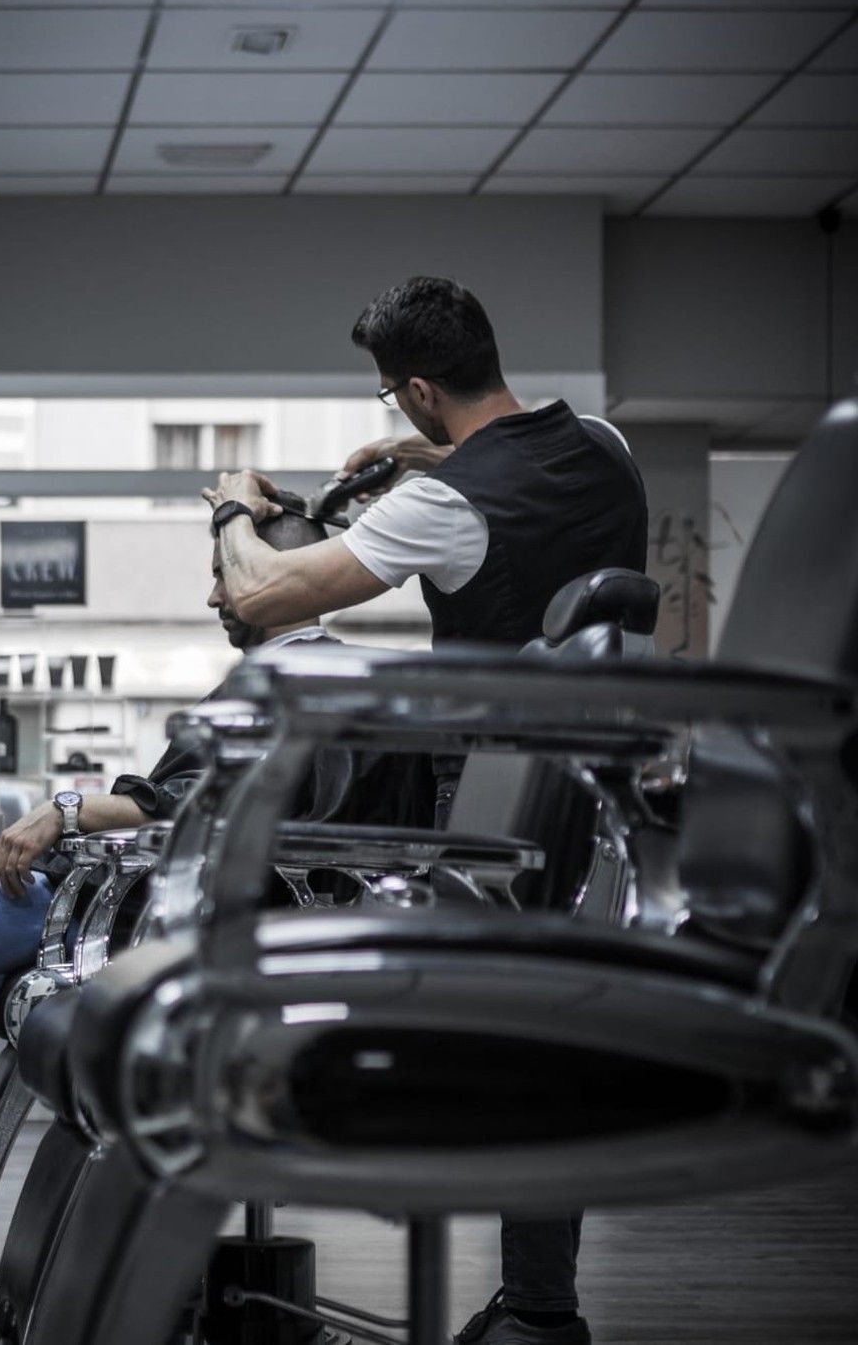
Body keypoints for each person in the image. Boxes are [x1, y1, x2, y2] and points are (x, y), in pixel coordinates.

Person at [202, 275, 648, 1345]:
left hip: (497, 815)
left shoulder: (448, 506)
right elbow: (507, 456)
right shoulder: (605, 449)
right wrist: (411, 452)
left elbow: (259, 595)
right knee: (546, 1052)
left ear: (414, 389)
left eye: (396, 399)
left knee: (499, 1057)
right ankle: (539, 1306)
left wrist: (231, 506)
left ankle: (533, 1303)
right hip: (606, 809)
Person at [0, 513, 335, 1217]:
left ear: (279, 577)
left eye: (225, 575)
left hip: (161, 914)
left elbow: (200, 804)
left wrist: (67, 809)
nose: (215, 596)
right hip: (148, 890)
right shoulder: (287, 676)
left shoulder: (303, 682)